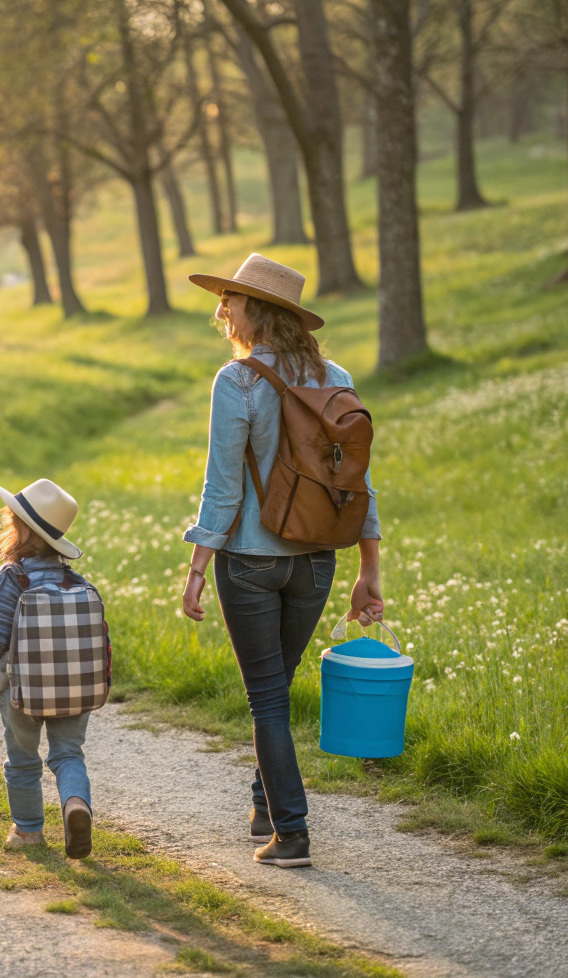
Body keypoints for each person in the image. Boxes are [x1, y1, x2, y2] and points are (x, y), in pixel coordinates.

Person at [178, 254, 383, 869]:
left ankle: (291, 833)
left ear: (259, 312)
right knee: (277, 684)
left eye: (231, 301)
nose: (222, 311)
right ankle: (265, 807)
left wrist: (194, 570)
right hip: (317, 561)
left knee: (267, 699)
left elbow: (222, 489)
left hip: (248, 560)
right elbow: (357, 482)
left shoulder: (236, 381)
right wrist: (368, 569)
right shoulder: (335, 374)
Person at [0, 479, 95, 860]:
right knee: (68, 755)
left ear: (22, 531)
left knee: (22, 760)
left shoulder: (13, 576)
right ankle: (75, 806)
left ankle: (29, 832)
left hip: (21, 690)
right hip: (75, 689)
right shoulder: (75, 580)